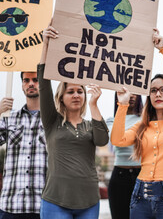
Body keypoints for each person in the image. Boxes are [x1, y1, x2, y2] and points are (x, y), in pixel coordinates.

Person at [111, 30, 163, 219]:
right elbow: (117, 140)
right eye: (153, 90)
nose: (158, 94)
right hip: (140, 194)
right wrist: (122, 105)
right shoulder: (141, 125)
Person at [38, 26, 109, 219]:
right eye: (71, 92)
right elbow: (43, 85)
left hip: (89, 202)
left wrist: (94, 104)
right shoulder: (53, 122)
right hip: (55, 201)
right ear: (62, 97)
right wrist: (45, 45)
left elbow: (102, 140)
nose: (76, 95)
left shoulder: (90, 124)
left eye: (80, 91)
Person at [0, 73, 47, 219]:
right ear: (22, 85)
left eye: (35, 80)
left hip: (44, 205)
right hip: (11, 204)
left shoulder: (53, 120)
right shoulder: (9, 117)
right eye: (26, 80)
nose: (31, 84)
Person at [107, 93, 143, 219]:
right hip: (119, 177)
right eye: (125, 92)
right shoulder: (111, 120)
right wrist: (122, 106)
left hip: (142, 176)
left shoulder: (146, 120)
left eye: (134, 92)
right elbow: (115, 139)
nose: (131, 96)